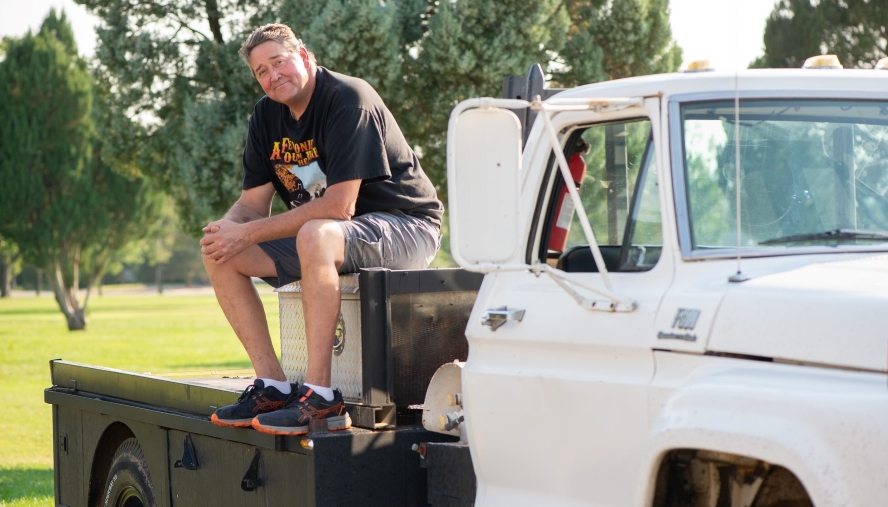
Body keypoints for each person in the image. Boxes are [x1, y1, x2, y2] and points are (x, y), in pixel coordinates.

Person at [201, 23, 443, 436]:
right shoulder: (265, 116)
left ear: (305, 56)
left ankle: (322, 399)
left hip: (407, 225)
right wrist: (229, 230)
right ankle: (273, 386)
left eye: (279, 62)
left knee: (316, 232)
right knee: (218, 250)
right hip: (328, 237)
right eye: (261, 71)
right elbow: (251, 205)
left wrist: (250, 231)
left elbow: (339, 206)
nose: (273, 75)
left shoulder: (349, 99)